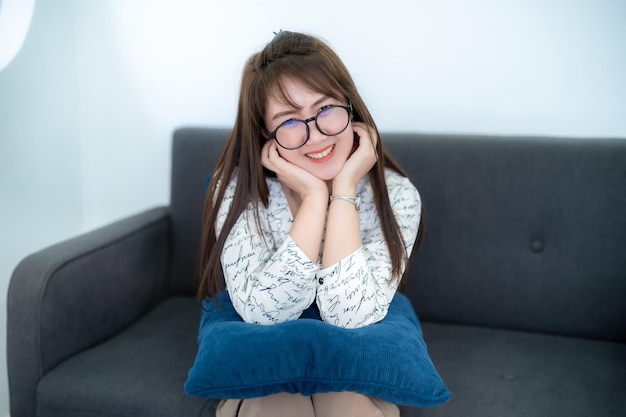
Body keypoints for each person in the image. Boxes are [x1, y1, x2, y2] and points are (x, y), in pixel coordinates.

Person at [197, 30, 422, 417]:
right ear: (265, 136)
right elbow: (265, 313)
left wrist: (344, 189)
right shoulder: (236, 190)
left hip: (353, 369)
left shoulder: (398, 195)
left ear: (352, 108)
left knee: (347, 403)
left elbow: (351, 317)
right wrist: (314, 200)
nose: (315, 134)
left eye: (327, 109)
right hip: (264, 373)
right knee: (277, 400)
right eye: (289, 122)